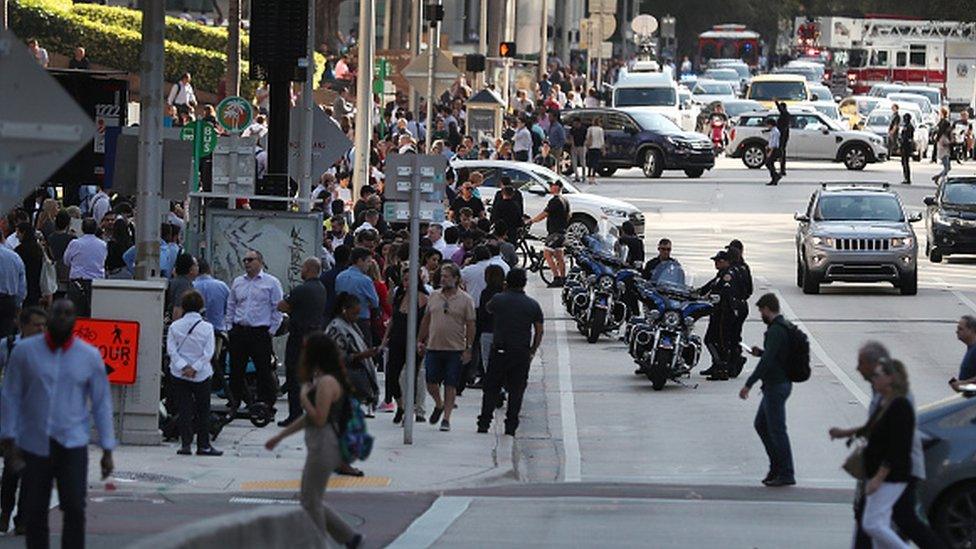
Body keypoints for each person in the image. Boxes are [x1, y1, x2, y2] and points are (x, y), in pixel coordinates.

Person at [0, 300, 115, 549]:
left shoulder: (89, 356)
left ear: (75, 321)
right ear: (49, 317)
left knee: (74, 505)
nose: (62, 318)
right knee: (35, 510)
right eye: (58, 313)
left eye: (68, 314)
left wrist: (107, 448)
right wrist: (7, 435)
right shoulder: (25, 352)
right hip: (34, 442)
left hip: (72, 443)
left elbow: (101, 403)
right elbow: (10, 394)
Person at [829, 342, 943, 549]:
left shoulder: (899, 400)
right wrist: (845, 433)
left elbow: (897, 442)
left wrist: (879, 476)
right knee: (884, 519)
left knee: (884, 520)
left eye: (861, 363)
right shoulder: (882, 394)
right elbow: (875, 425)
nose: (858, 368)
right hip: (886, 467)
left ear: (877, 366)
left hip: (897, 468)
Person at [264, 333, 365, 549]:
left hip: (324, 445)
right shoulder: (324, 379)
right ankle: (349, 537)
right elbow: (309, 419)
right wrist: (280, 436)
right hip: (321, 444)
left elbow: (318, 418)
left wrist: (303, 398)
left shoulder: (327, 382)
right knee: (310, 498)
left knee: (310, 501)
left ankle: (320, 543)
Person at [854, 359, 916, 548]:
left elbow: (898, 446)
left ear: (891, 378)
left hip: (892, 476)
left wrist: (879, 477)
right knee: (879, 524)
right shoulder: (883, 401)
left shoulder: (900, 405)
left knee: (872, 524)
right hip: (879, 473)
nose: (873, 379)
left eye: (877, 376)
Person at [477, 269, 544, 435]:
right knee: (516, 390)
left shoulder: (499, 299)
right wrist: (532, 350)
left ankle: (484, 422)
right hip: (520, 352)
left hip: (499, 349)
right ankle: (511, 425)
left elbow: (488, 308)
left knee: (491, 388)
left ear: (507, 282)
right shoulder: (532, 305)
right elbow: (539, 330)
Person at [739, 293, 795, 487]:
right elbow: (774, 355)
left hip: (776, 385)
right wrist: (761, 352)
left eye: (761, 310)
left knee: (777, 430)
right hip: (778, 383)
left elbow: (768, 362)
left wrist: (749, 383)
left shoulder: (776, 331)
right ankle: (776, 467)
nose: (761, 314)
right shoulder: (781, 328)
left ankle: (785, 471)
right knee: (762, 425)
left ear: (768, 309)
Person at [0, 307, 46, 535]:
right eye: (36, 325)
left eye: (43, 325)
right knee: (11, 471)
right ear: (22, 325)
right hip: (12, 419)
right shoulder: (7, 346)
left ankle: (22, 519)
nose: (41, 329)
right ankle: (6, 511)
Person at [418, 263, 476, 432]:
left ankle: (446, 418)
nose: (443, 279)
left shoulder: (466, 300)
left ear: (456, 279)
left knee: (451, 384)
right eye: (441, 276)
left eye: (446, 276)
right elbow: (426, 319)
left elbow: (471, 325)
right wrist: (420, 340)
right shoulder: (434, 296)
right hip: (434, 346)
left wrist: (469, 347)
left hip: (455, 348)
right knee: (431, 382)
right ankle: (439, 404)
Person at [225, 250, 284, 412]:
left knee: (263, 369)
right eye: (244, 260)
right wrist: (229, 327)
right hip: (239, 330)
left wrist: (271, 330)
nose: (246, 263)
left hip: (260, 331)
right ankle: (234, 399)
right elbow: (231, 305)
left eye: (250, 260)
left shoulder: (271, 283)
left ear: (260, 261)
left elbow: (277, 308)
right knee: (236, 368)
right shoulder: (238, 282)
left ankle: (265, 401)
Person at [166, 290, 222, 457]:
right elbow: (209, 352)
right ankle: (203, 445)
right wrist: (195, 368)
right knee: (203, 409)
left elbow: (171, 350)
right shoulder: (207, 327)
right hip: (202, 374)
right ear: (201, 307)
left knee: (184, 409)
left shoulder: (174, 326)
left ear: (183, 307)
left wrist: (183, 366)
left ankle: (185, 444)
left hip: (178, 374)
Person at [278, 258, 328, 426]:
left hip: (299, 337)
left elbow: (282, 306)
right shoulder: (321, 289)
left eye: (302, 267)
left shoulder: (302, 289)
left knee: (293, 376)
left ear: (307, 269)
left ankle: (295, 413)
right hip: (314, 337)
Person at [382, 266, 428, 424]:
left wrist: (422, 342)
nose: (407, 282)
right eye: (405, 279)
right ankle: (400, 405)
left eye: (410, 279)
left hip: (414, 341)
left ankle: (411, 409)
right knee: (392, 374)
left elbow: (425, 322)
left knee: (412, 376)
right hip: (396, 339)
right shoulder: (399, 295)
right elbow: (393, 318)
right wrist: (384, 339)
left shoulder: (423, 298)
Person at [326, 293, 380, 412]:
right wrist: (362, 355)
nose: (357, 317)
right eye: (354, 313)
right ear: (344, 310)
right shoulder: (337, 328)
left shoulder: (351, 325)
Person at [699, 251, 736, 380]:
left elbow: (724, 293)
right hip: (716, 312)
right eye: (715, 261)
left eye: (719, 261)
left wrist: (710, 297)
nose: (716, 263)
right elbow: (707, 287)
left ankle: (721, 367)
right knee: (712, 340)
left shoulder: (727, 275)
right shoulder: (719, 275)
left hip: (723, 314)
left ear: (726, 262)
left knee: (717, 340)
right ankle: (717, 365)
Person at [527, 180, 570, 287]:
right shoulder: (565, 200)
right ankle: (563, 278)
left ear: (556, 187)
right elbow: (569, 215)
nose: (550, 187)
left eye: (552, 186)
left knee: (547, 254)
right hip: (562, 232)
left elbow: (544, 214)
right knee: (559, 256)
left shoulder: (554, 201)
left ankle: (557, 278)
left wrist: (532, 221)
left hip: (554, 232)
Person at [335, 248, 380, 345]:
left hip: (342, 318)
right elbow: (375, 302)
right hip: (361, 320)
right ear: (360, 261)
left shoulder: (340, 277)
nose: (369, 265)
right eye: (368, 261)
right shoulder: (365, 280)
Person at [62, 218, 106, 317]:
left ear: (82, 228)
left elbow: (66, 260)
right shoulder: (103, 244)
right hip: (96, 283)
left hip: (78, 282)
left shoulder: (75, 243)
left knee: (76, 315)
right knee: (93, 313)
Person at [0, 232, 26, 339]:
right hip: (8, 301)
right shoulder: (14, 257)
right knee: (6, 336)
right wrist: (18, 304)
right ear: (2, 238)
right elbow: (22, 286)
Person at [13, 223, 43, 308]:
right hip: (36, 288)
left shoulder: (19, 250)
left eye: (18, 232)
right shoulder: (38, 249)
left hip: (22, 287)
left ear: (24, 233)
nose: (16, 236)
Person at [166, 253, 198, 319]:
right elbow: (177, 310)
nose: (198, 267)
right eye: (196, 265)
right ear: (191, 269)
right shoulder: (183, 285)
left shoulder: (179, 281)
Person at [950, 315, 976, 391]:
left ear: (971, 330)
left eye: (960, 329)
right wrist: (960, 386)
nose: (957, 331)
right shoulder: (971, 348)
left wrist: (963, 383)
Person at [933, 108, 953, 183]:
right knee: (947, 167)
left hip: (942, 149)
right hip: (944, 151)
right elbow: (947, 143)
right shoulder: (944, 136)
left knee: (948, 167)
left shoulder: (941, 123)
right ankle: (938, 177)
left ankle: (938, 177)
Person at [585, 118, 605, 185]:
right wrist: (603, 149)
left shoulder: (590, 129)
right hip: (597, 148)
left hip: (590, 148)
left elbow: (587, 137)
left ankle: (589, 177)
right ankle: (593, 177)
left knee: (590, 163)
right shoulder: (600, 130)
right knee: (595, 163)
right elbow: (602, 140)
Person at [764, 117, 782, 186]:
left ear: (771, 124)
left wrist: (770, 151)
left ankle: (775, 176)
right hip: (771, 148)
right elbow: (771, 141)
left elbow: (774, 143)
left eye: (768, 125)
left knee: (768, 163)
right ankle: (774, 177)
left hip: (773, 150)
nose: (767, 126)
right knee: (770, 164)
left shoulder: (775, 132)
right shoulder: (773, 131)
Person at [569, 118, 588, 183]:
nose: (574, 125)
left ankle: (583, 176)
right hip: (575, 147)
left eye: (575, 123)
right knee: (574, 162)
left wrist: (585, 145)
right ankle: (577, 176)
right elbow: (571, 137)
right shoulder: (572, 129)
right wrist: (573, 145)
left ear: (579, 123)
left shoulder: (584, 129)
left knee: (583, 162)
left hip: (582, 146)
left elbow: (586, 138)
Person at [775, 102, 791, 176]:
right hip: (783, 134)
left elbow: (781, 110)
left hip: (783, 135)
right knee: (781, 152)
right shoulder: (784, 114)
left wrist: (776, 102)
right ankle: (782, 169)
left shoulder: (785, 114)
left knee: (781, 152)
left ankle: (782, 169)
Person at [900, 113, 915, 185]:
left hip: (906, 146)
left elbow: (907, 137)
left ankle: (907, 178)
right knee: (904, 162)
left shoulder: (909, 127)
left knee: (905, 162)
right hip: (904, 146)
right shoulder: (906, 126)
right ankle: (905, 177)